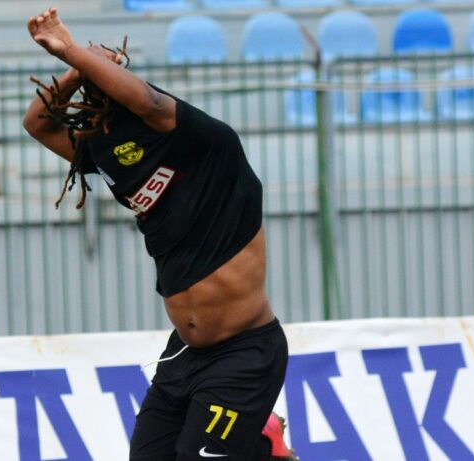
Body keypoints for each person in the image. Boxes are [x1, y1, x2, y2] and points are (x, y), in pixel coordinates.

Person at [24, 7, 297, 461]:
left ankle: (259, 444)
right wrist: (74, 72)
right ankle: (260, 445)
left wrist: (71, 49)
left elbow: (150, 104)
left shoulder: (208, 142)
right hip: (183, 354)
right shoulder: (107, 151)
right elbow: (37, 124)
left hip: (243, 354)